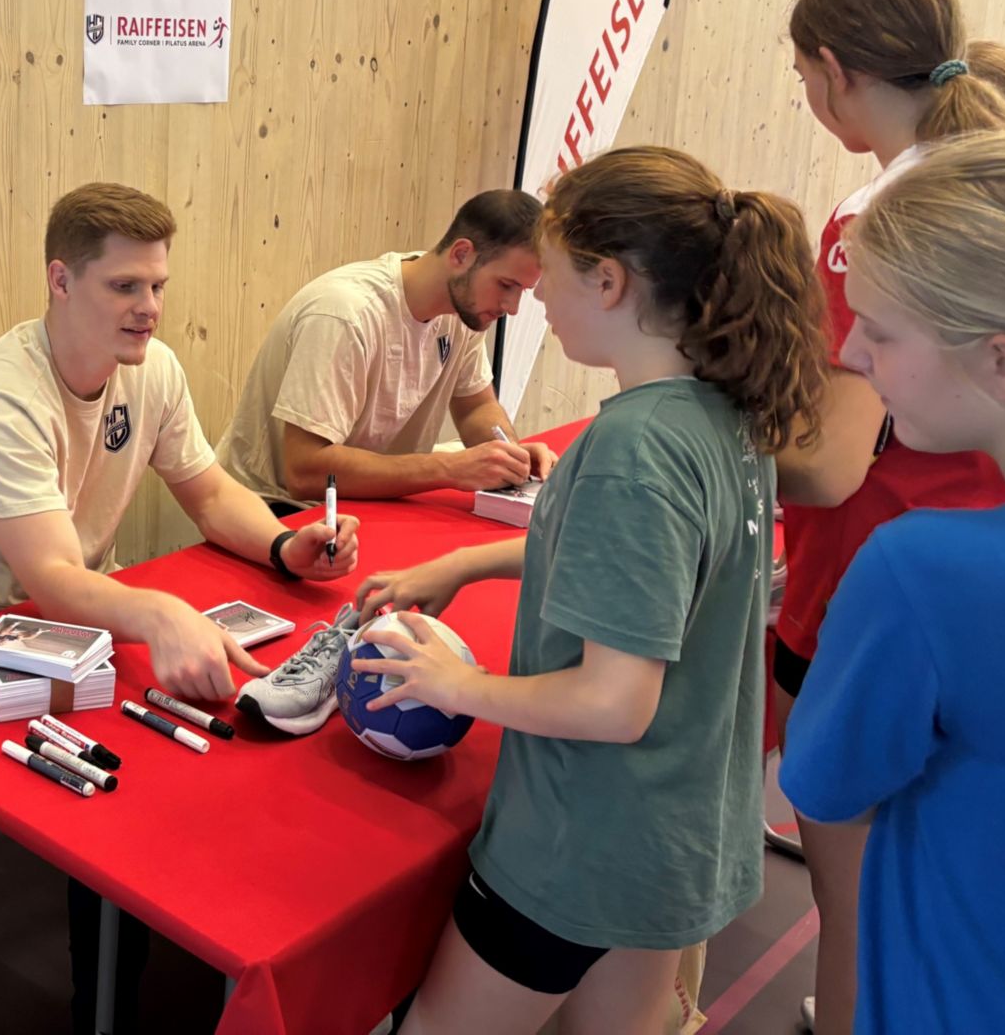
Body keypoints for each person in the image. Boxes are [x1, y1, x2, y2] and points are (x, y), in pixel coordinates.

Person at [349, 147, 827, 1035]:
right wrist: (467, 563)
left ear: (608, 282)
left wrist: (456, 687)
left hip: (583, 845)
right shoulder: (728, 416)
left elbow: (615, 703)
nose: (536, 299)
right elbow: (644, 570)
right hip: (675, 845)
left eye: (553, 275)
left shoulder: (634, 448)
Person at [0, 180, 360, 1034]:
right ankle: (102, 1009)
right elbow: (48, 578)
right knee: (126, 788)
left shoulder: (152, 370)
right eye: (125, 287)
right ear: (60, 282)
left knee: (200, 734)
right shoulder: (2, 398)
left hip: (86, 610)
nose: (149, 309)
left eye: (157, 287)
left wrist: (278, 544)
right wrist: (154, 615)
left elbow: (210, 492)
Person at [780, 130, 1005, 1033]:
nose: (851, 358)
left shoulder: (924, 572)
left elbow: (823, 783)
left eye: (879, 333)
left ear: (1004, 362)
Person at [769, 0, 1005, 1035]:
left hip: (872, 581)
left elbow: (831, 459)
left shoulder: (873, 222)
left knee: (851, 894)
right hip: (995, 567)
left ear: (831, 71)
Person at [217, 190, 552, 513]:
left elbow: (475, 407)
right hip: (274, 507)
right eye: (507, 285)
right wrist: (448, 468)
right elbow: (305, 472)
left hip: (368, 503)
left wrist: (510, 455)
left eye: (523, 290)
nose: (513, 307)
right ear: (461, 254)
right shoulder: (345, 315)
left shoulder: (465, 311)